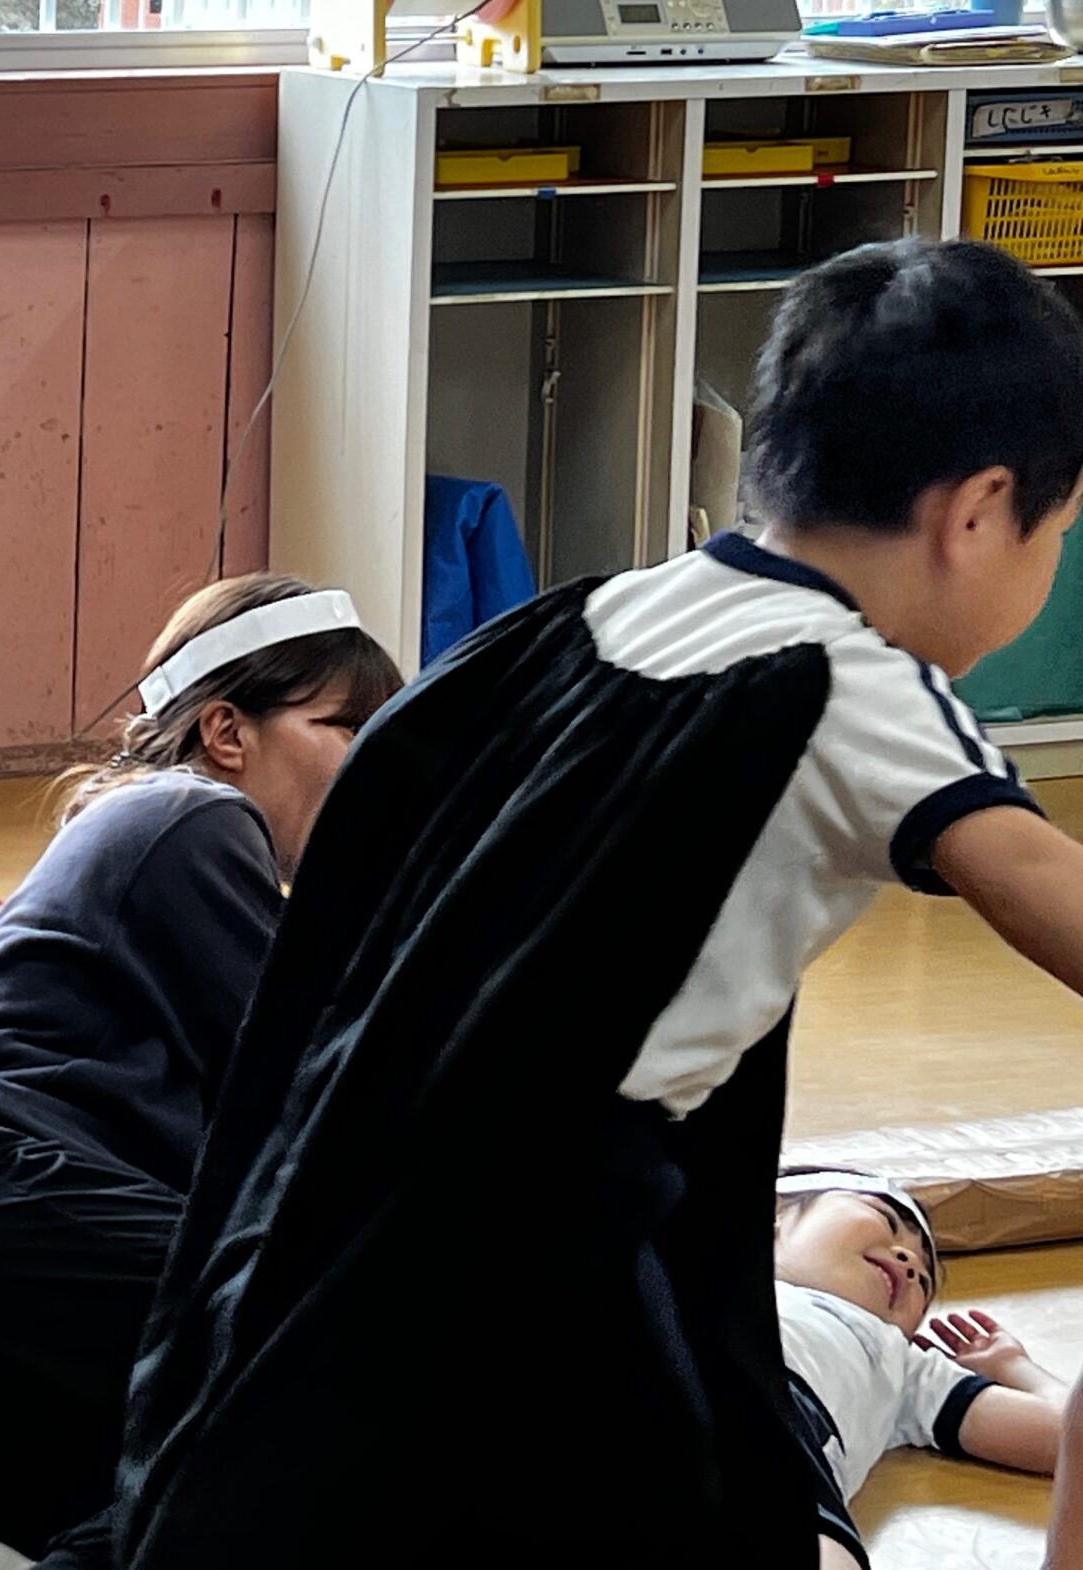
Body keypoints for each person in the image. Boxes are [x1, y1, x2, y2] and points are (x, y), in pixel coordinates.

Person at [115, 236, 1083, 1568]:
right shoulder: (854, 686)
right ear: (978, 510)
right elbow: (1041, 886)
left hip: (333, 1194)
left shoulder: (583, 618)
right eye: (1057, 535)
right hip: (541, 1251)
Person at [0, 575, 402, 1570]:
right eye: (349, 729)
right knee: (377, 1361)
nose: (377, 767)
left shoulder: (141, 833)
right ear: (227, 732)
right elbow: (332, 1108)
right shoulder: (193, 816)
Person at [770, 1168, 1069, 1567]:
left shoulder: (897, 1361)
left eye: (924, 1284)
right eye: (885, 1219)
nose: (910, 1263)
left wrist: (1013, 1367)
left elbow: (1068, 1433)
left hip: (781, 1447)